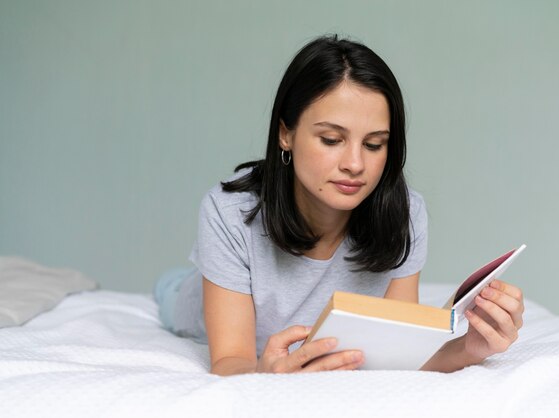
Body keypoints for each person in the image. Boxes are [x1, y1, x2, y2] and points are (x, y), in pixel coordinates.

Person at [154, 34, 524, 376]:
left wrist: (471, 348)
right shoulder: (230, 213)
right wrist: (265, 375)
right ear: (286, 133)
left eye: (374, 144)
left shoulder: (405, 214)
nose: (355, 164)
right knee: (169, 292)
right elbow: (230, 359)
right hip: (190, 306)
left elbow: (402, 354)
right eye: (331, 139)